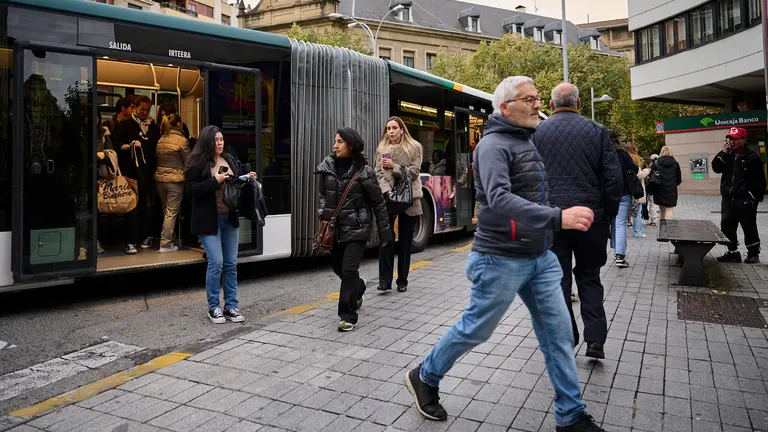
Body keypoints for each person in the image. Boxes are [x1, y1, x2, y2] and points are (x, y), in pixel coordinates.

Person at [404, 76, 604, 432]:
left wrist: (557, 215)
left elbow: (533, 195)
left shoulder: (527, 140)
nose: (537, 104)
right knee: (476, 329)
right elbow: (497, 199)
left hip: (540, 257)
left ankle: (570, 416)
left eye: (538, 98)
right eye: (528, 99)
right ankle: (425, 375)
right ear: (505, 107)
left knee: (558, 334)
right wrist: (559, 218)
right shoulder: (494, 145)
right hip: (500, 258)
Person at [534, 82, 622, 359]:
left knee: (556, 280)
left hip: (553, 220)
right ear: (579, 103)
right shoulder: (598, 132)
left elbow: (529, 179)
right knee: (589, 277)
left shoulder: (537, 133)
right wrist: (607, 215)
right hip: (590, 219)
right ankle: (595, 340)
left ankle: (566, 336)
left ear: (551, 105)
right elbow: (613, 179)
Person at [316, 128, 391, 332]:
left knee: (349, 269)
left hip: (358, 227)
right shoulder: (327, 167)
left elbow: (378, 204)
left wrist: (385, 233)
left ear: (351, 145)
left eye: (340, 141)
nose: (335, 145)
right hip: (336, 228)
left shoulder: (365, 172)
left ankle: (348, 316)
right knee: (338, 268)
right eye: (335, 141)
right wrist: (322, 215)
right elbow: (323, 195)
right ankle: (359, 287)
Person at [185, 125, 256, 324]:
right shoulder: (197, 162)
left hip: (229, 218)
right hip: (208, 221)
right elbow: (190, 190)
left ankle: (231, 306)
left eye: (222, 139)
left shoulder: (229, 159)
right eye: (216, 140)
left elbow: (237, 180)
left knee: (231, 264)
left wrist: (247, 177)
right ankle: (214, 307)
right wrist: (214, 181)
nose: (219, 143)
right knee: (216, 263)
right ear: (207, 141)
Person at [375, 116, 423, 293]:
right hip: (388, 198)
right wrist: (387, 191)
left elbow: (415, 172)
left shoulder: (414, 147)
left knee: (405, 241)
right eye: (388, 128)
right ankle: (384, 281)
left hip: (408, 198)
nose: (391, 131)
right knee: (386, 240)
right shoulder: (382, 149)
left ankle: (402, 279)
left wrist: (395, 166)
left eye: (395, 128)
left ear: (402, 129)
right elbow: (378, 173)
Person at [112, 95, 161, 251]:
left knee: (146, 206)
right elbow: (116, 144)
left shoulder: (154, 127)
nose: (145, 113)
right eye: (142, 109)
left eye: (147, 110)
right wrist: (128, 146)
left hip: (148, 172)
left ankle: (145, 236)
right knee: (131, 207)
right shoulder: (125, 125)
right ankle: (131, 241)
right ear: (135, 108)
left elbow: (156, 150)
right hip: (130, 171)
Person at [713, 127, 766, 264]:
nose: (732, 141)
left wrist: (753, 198)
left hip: (745, 199)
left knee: (748, 226)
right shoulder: (727, 155)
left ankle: (753, 253)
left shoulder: (752, 157)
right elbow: (716, 168)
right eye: (730, 138)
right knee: (727, 224)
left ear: (743, 140)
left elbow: (760, 181)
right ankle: (732, 252)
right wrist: (722, 153)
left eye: (736, 139)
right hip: (728, 197)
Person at [155, 113, 190, 253]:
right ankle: (165, 243)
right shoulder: (182, 141)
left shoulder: (161, 140)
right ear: (179, 124)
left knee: (166, 209)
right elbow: (188, 162)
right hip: (175, 179)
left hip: (159, 179)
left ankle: (171, 238)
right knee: (172, 211)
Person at [610, 133, 637, 268]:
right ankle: (619, 255)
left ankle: (616, 251)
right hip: (624, 193)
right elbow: (635, 168)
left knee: (614, 223)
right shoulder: (622, 154)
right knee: (620, 223)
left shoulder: (602, 154)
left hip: (608, 195)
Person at [650, 146, 681, 220]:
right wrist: (672, 184)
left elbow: (652, 176)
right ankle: (668, 228)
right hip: (671, 190)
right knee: (669, 209)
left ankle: (662, 228)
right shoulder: (675, 163)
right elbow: (679, 179)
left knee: (661, 209)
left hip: (659, 190)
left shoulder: (656, 163)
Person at [647, 154, 660, 226]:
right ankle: (660, 219)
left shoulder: (651, 166)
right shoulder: (661, 166)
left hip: (652, 187)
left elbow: (648, 176)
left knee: (651, 203)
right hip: (659, 187)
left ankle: (654, 220)